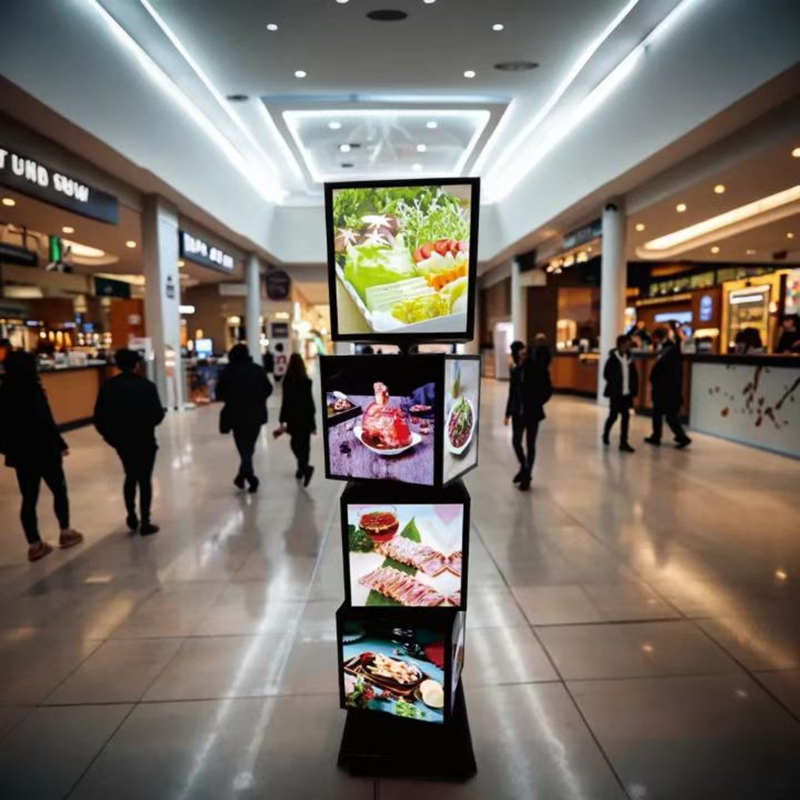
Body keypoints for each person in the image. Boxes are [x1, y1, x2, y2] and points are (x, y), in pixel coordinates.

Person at [0, 351, 84, 560]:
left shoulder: (3, 392)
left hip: (21, 454)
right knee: (59, 490)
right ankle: (65, 532)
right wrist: (60, 444)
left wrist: (9, 449)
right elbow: (45, 421)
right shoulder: (34, 390)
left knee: (28, 498)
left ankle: (35, 544)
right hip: (44, 449)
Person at [94, 348, 165, 535]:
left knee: (130, 476)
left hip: (122, 441)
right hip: (145, 439)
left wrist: (111, 438)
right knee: (145, 479)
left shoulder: (108, 387)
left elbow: (99, 418)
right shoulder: (147, 386)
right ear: (137, 364)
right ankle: (146, 521)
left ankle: (131, 515)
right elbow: (157, 415)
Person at [217, 343, 272, 492]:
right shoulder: (257, 370)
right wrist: (257, 398)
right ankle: (246, 477)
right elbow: (268, 389)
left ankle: (247, 477)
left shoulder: (228, 371)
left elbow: (219, 394)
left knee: (244, 448)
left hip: (235, 416)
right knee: (249, 448)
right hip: (255, 415)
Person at [504, 337, 552, 491]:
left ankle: (526, 476)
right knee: (516, 442)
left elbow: (548, 389)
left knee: (530, 444)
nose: (520, 356)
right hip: (518, 413)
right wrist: (507, 413)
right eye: (517, 354)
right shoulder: (514, 369)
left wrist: (538, 402)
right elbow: (512, 392)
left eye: (522, 353)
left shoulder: (536, 367)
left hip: (533, 413)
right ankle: (525, 469)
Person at [645, 327, 691, 449]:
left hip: (666, 388)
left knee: (666, 414)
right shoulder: (669, 348)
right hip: (666, 388)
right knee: (662, 414)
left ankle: (680, 437)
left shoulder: (670, 349)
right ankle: (660, 436)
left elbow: (667, 370)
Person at [275, 353, 316, 486]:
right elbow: (310, 403)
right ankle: (303, 468)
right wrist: (313, 422)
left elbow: (285, 402)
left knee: (295, 444)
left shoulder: (288, 381)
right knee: (305, 445)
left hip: (293, 418)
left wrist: (282, 420)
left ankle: (303, 468)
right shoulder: (306, 380)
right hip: (305, 417)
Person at [602, 334, 639, 452]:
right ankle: (605, 433)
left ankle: (624, 442)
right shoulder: (613, 358)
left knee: (626, 417)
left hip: (626, 394)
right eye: (627, 342)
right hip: (616, 393)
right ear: (621, 344)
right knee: (613, 416)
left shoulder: (630, 359)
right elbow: (606, 374)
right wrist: (615, 384)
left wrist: (634, 389)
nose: (629, 345)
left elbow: (634, 375)